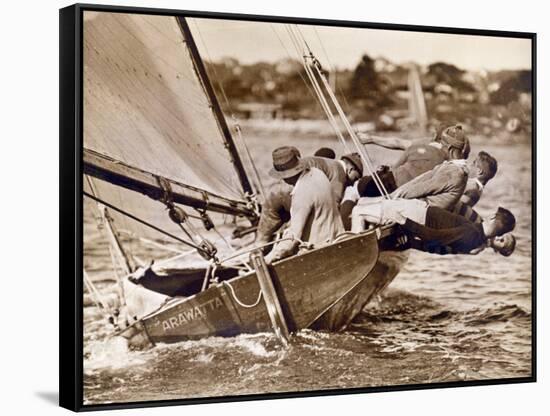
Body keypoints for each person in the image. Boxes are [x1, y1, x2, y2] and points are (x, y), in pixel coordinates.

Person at [255, 151, 362, 245]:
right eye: (355, 178)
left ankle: (256, 253)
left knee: (264, 235)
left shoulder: (325, 162)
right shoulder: (339, 173)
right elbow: (333, 205)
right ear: (350, 169)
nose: (352, 184)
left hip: (275, 191)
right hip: (293, 191)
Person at [264, 147, 344, 263]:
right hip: (337, 239)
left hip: (320, 251)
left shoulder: (301, 194)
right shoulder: (318, 173)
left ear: (285, 176)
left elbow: (292, 239)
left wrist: (267, 259)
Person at [352, 199, 515, 256]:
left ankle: (353, 253)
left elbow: (435, 237)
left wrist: (404, 222)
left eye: (502, 243)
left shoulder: (472, 234)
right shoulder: (476, 232)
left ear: (493, 217)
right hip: (419, 211)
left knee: (359, 211)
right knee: (364, 206)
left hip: (416, 215)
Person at [357, 124, 470, 197]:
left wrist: (370, 139)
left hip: (395, 187)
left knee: (358, 187)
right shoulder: (452, 161)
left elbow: (397, 143)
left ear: (437, 136)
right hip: (410, 192)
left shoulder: (426, 144)